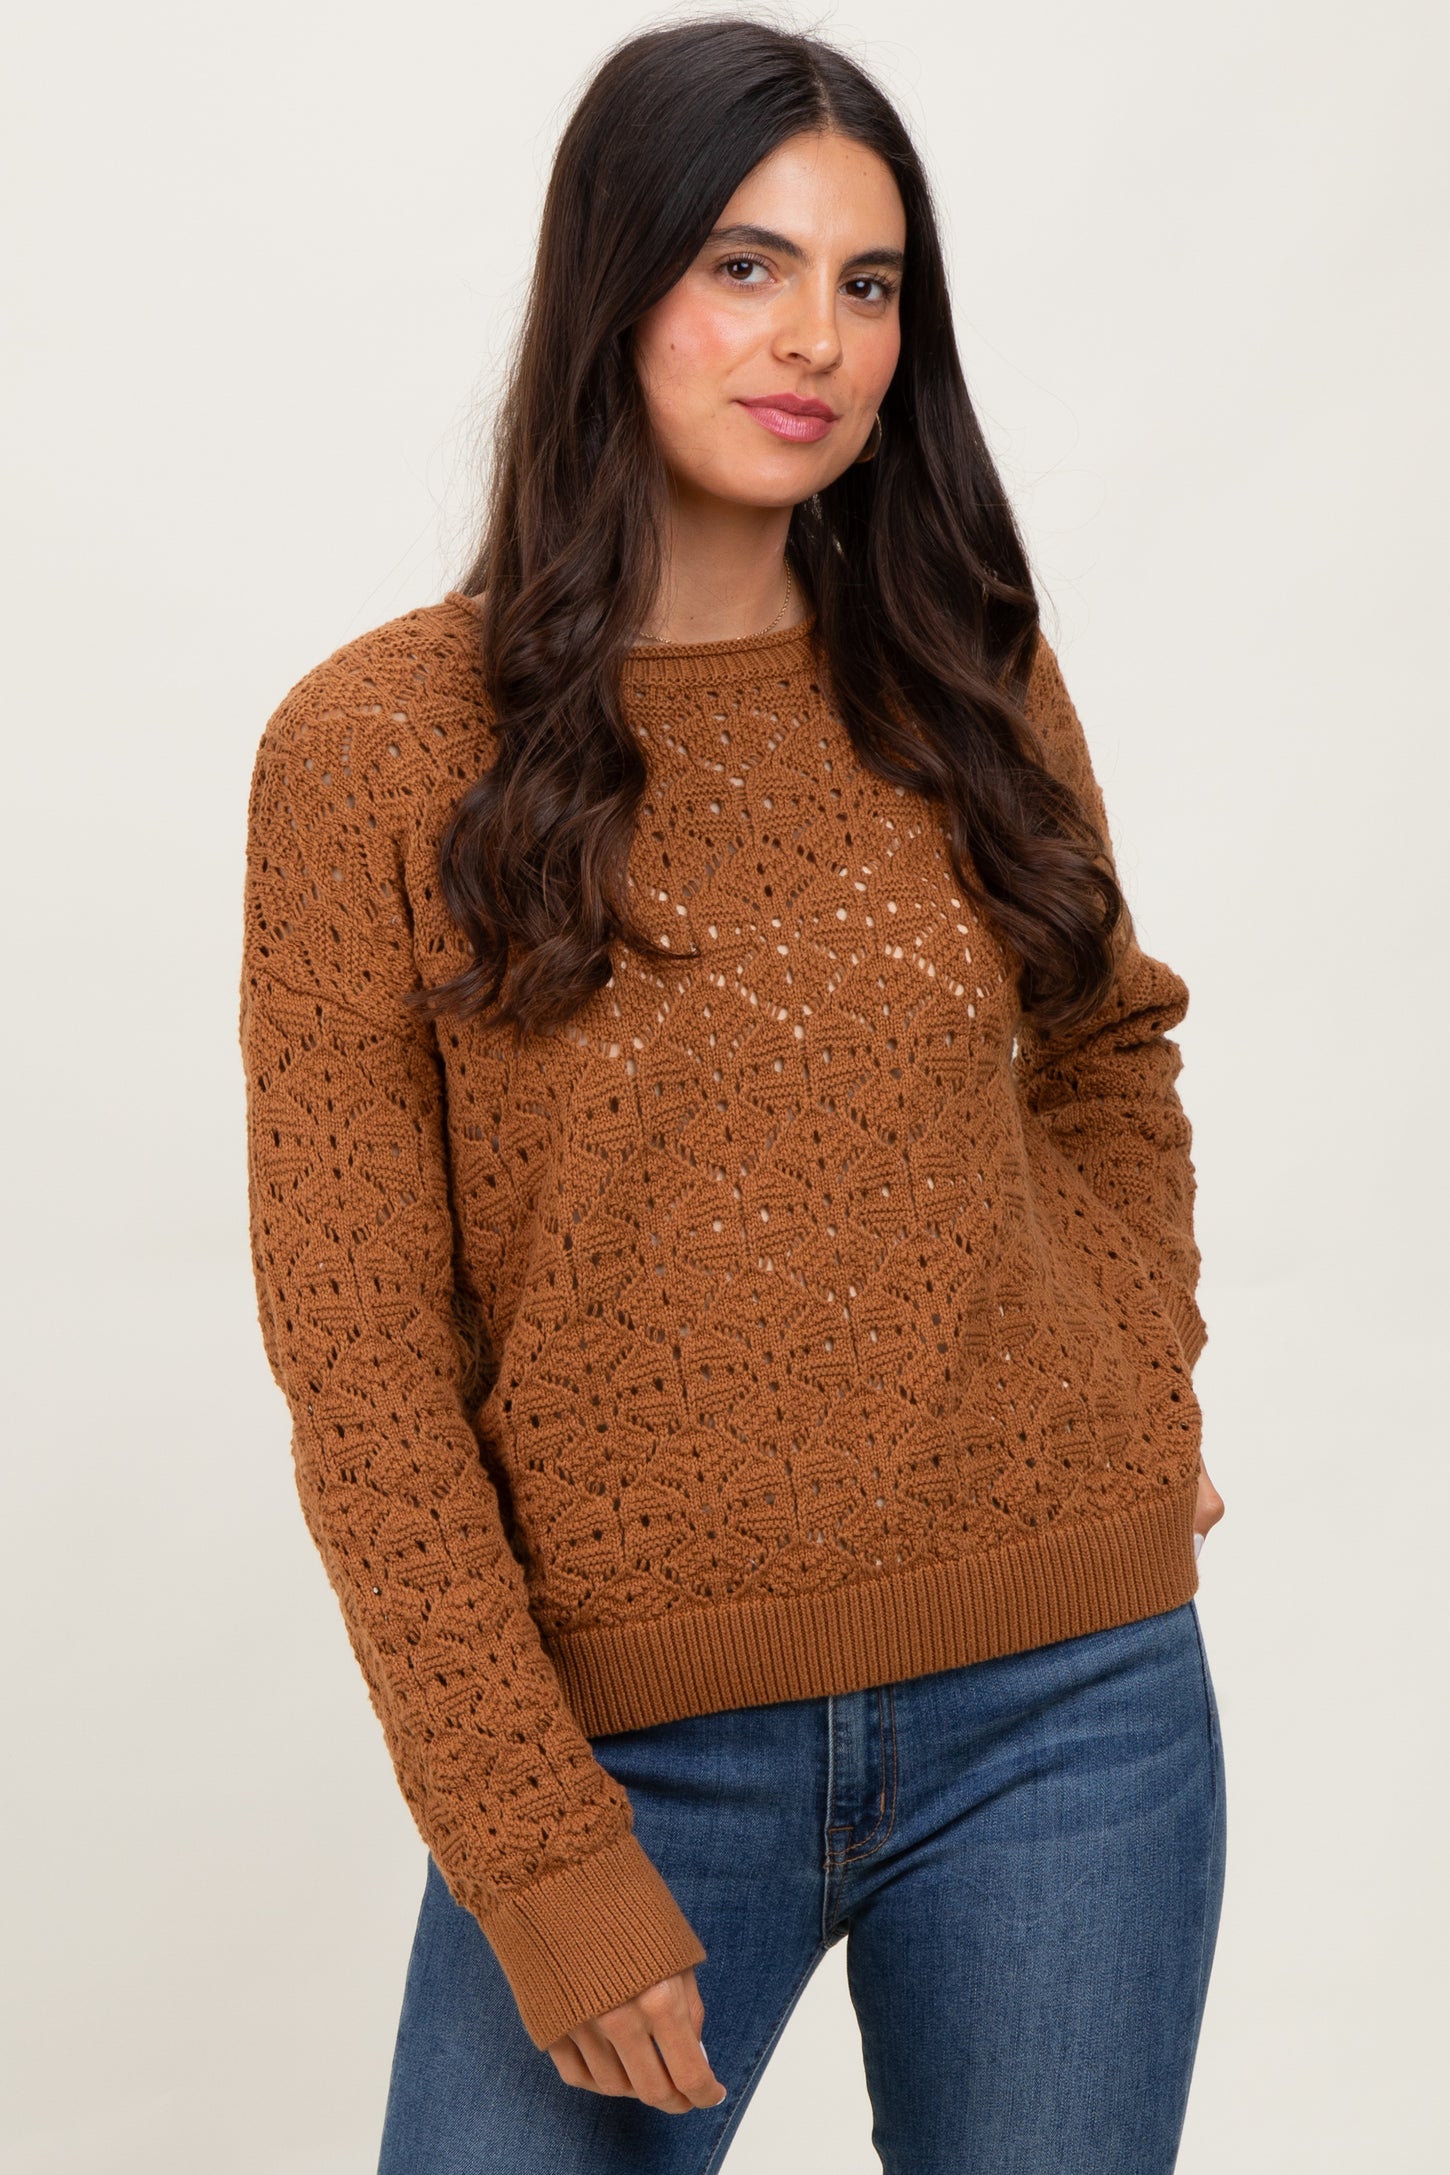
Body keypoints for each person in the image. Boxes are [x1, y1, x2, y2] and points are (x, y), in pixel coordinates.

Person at [239, 19, 1227, 2172]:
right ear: (612, 286)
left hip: (1069, 1702)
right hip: (625, 1754)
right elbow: (360, 1358)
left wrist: (1137, 1386)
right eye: (745, 266)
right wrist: (531, 1844)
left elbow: (1102, 1045)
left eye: (867, 284)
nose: (815, 341)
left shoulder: (964, 667)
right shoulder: (375, 748)